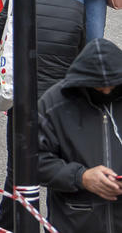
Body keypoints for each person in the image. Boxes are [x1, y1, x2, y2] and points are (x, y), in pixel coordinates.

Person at [0, 0, 85, 230]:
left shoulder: (14, 2)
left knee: (17, 171)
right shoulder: (75, 8)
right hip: (60, 105)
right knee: (59, 170)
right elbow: (80, 57)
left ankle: (11, 224)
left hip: (22, 102)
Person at [37, 38, 122, 233]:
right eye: (98, 88)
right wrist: (81, 177)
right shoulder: (53, 105)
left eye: (114, 86)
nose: (107, 92)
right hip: (74, 223)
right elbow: (33, 161)